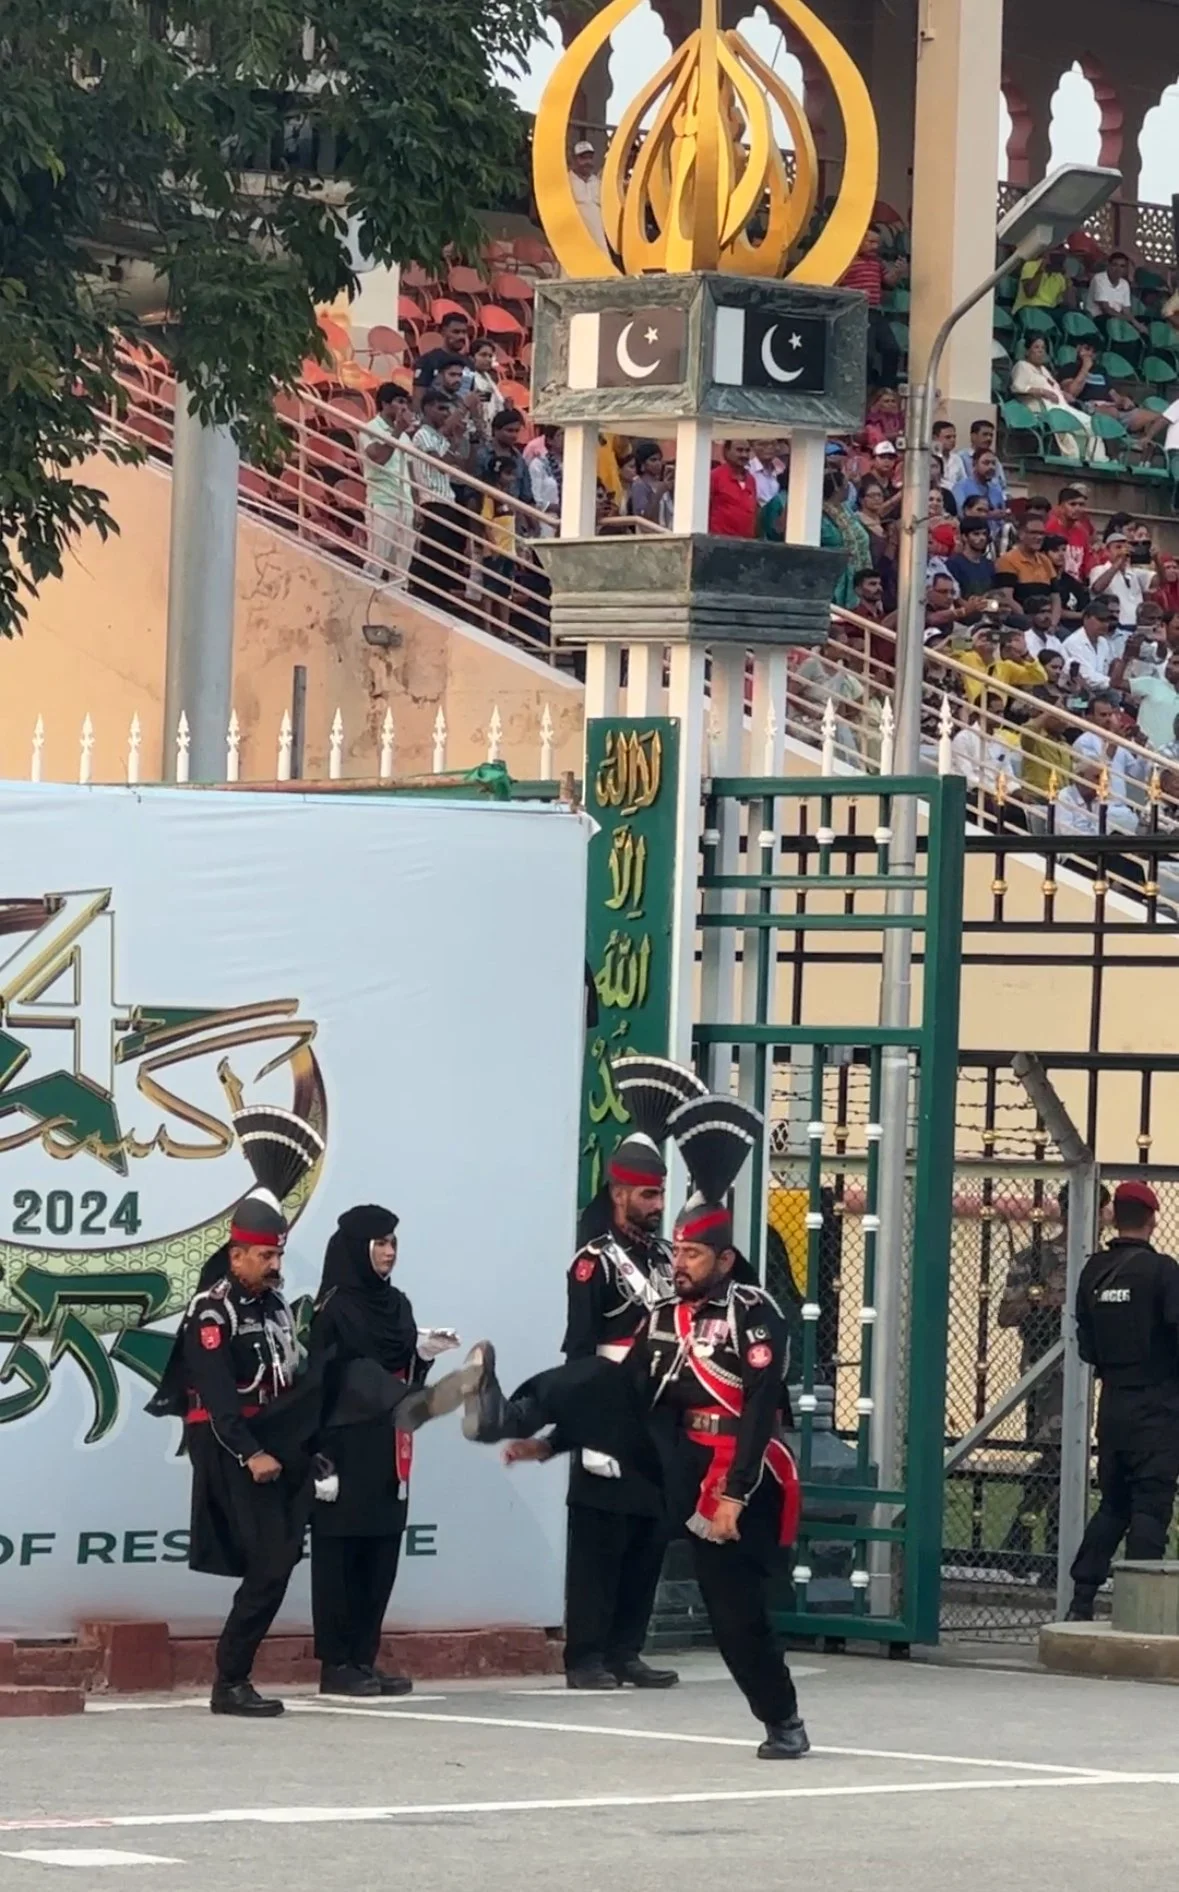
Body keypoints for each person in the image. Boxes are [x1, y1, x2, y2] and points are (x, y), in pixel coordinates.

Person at [464, 1091, 810, 1761]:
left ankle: (782, 1720)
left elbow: (762, 1407)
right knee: (597, 1376)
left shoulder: (755, 1314)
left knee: (736, 1618)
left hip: (742, 1471)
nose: (677, 1262)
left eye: (692, 1255)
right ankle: (502, 1414)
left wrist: (734, 1497)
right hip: (677, 1456)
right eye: (675, 1251)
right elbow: (621, 1396)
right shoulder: (661, 1318)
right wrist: (551, 1442)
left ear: (724, 1261)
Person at [559, 1056, 708, 1690]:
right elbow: (579, 1351)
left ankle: (627, 1648)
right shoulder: (592, 1264)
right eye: (648, 1194)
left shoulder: (672, 1258)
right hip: (609, 1420)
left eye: (662, 1194)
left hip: (660, 1422)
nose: (657, 1205)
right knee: (600, 1543)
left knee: (648, 1537)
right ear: (618, 1193)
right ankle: (585, 1655)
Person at [310, 1205, 460, 1698]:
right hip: (344, 1445)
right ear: (356, 1248)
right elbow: (320, 1386)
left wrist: (422, 1356)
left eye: (394, 1243)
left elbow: (407, 1385)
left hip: (390, 1442)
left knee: (381, 1551)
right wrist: (321, 1459)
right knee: (341, 1555)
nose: (390, 1253)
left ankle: (364, 1658)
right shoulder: (332, 1307)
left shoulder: (397, 1305)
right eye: (379, 1244)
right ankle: (337, 1663)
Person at [1067, 1180, 1179, 1620]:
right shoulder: (1163, 1272)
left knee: (1113, 1505)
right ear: (1153, 1219)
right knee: (1150, 1508)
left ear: (1113, 1216)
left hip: (1113, 1408)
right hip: (1159, 1410)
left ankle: (1081, 1600)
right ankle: (1139, 1609)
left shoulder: (1093, 1271)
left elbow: (1086, 1347)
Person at [997, 1184, 1111, 1566]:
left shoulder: (1106, 1262)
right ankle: (1040, 1546)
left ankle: (1030, 1542)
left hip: (1095, 1372)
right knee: (1056, 1456)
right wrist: (1041, 1300)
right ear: (1064, 1211)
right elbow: (1006, 1315)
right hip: (1048, 1372)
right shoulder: (1035, 1259)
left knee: (1071, 1459)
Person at [408, 391, 471, 605]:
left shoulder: (439, 437)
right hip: (432, 500)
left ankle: (439, 600)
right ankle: (428, 600)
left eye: (447, 409)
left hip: (447, 499)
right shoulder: (422, 435)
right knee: (433, 556)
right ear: (427, 408)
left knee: (445, 557)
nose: (445, 414)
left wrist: (456, 440)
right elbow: (439, 463)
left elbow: (457, 466)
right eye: (441, 408)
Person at [1010, 338, 1104, 462]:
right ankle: (1071, 458)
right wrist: (1043, 392)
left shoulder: (1044, 370)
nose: (1040, 351)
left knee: (1092, 423)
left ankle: (1097, 459)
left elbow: (1054, 387)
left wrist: (1062, 393)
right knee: (1064, 425)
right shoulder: (1021, 366)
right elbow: (1017, 387)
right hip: (1042, 408)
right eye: (1036, 347)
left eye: (1043, 348)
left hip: (1062, 406)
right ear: (1027, 351)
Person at [360, 382, 415, 584]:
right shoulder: (369, 428)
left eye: (406, 404)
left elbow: (410, 473)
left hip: (405, 503)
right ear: (385, 403)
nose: (404, 408)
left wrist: (416, 507)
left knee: (402, 566)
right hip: (383, 500)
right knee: (377, 560)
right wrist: (397, 431)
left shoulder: (405, 437)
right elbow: (379, 457)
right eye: (399, 402)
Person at [839, 226, 906, 388]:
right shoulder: (847, 261)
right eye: (871, 242)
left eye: (877, 243)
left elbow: (889, 281)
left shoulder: (877, 262)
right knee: (866, 354)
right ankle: (865, 387)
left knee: (891, 349)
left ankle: (885, 388)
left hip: (876, 312)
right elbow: (836, 283)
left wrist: (898, 271)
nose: (875, 246)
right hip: (857, 312)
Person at [1090, 529, 1156, 639]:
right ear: (1107, 551)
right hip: (1114, 631)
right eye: (1118, 547)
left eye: (1125, 547)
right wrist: (1119, 561)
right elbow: (1097, 588)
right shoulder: (1099, 570)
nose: (1123, 551)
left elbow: (1161, 581)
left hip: (1137, 630)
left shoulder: (1135, 572)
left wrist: (1157, 559)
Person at [995, 513, 1055, 606]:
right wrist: (1026, 619)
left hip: (1046, 617)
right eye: (1034, 532)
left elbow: (1056, 597)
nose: (1039, 537)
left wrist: (1054, 620)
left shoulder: (1045, 560)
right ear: (1021, 534)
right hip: (1020, 617)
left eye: (1042, 533)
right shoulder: (1007, 560)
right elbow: (1007, 598)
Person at [1059, 600, 1117, 689]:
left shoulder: (1103, 642)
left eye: (1107, 621)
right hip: (1077, 691)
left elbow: (1108, 669)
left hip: (1103, 688)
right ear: (1086, 618)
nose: (1105, 624)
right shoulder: (1074, 642)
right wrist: (1116, 684)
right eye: (1101, 620)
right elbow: (1087, 677)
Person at [1044, 487, 1094, 582]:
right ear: (1060, 507)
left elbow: (1086, 565)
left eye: (1081, 505)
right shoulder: (1050, 528)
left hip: (1077, 585)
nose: (1078, 508)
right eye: (1072, 504)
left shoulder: (1083, 532)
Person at [709, 440, 758, 538]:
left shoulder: (751, 479)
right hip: (720, 542)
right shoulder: (715, 476)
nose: (744, 455)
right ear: (726, 452)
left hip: (746, 543)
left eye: (747, 451)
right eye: (739, 450)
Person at [414, 313, 474, 392]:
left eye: (464, 332)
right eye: (456, 332)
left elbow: (467, 392)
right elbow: (418, 397)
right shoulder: (428, 361)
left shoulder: (468, 363)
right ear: (443, 332)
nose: (461, 336)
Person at [944, 419, 1006, 495]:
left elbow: (1003, 487)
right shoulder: (960, 458)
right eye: (985, 434)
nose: (989, 438)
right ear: (973, 436)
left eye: (991, 435)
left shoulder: (995, 460)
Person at [1086, 251, 1142, 331]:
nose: (1118, 269)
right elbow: (1106, 309)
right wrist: (1129, 321)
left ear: (1126, 269)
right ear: (1108, 265)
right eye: (1115, 265)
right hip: (1098, 318)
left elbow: (1126, 311)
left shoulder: (1124, 284)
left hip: (1117, 319)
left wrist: (1136, 324)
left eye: (1122, 266)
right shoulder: (1099, 279)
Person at [1043, 534, 1089, 630]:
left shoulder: (1072, 581)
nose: (1061, 554)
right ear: (1044, 554)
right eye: (1055, 551)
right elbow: (1053, 609)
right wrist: (1082, 615)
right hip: (1057, 626)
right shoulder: (1042, 580)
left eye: (1064, 550)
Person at [569, 139, 607, 251]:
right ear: (574, 160)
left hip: (598, 239)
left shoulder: (598, 183)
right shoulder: (567, 181)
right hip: (574, 238)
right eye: (583, 158)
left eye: (589, 158)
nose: (587, 162)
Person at [1013, 246, 1069, 314]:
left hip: (1048, 312)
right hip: (1027, 311)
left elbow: (1069, 304)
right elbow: (1029, 293)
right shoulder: (1030, 266)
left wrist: (1068, 279)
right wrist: (1041, 269)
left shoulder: (1060, 277)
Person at [627, 440, 668, 527]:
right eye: (653, 460)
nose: (658, 463)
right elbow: (643, 518)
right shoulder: (639, 485)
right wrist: (659, 493)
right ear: (642, 463)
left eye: (660, 459)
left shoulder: (664, 484)